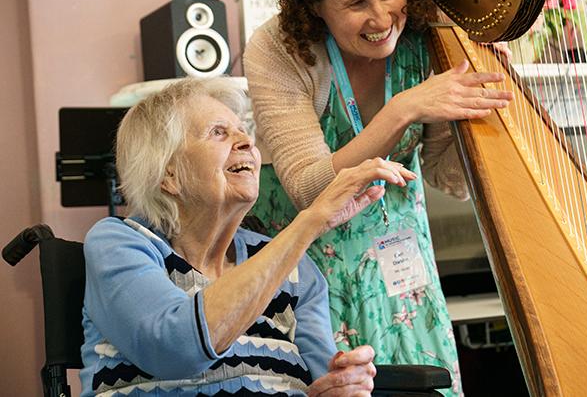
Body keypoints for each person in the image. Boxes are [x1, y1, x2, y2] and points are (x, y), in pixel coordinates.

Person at [243, 0, 513, 394]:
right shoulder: (279, 48)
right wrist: (403, 109)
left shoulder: (426, 38)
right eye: (356, 3)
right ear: (315, 6)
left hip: (402, 266)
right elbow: (309, 187)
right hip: (305, 268)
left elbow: (445, 178)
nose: (382, 17)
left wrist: (480, 110)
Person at [79, 77, 417, 396]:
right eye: (218, 133)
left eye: (243, 131)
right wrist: (309, 223)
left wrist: (342, 384)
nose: (246, 142)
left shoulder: (297, 271)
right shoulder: (122, 243)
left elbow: (322, 380)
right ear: (169, 174)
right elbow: (174, 347)